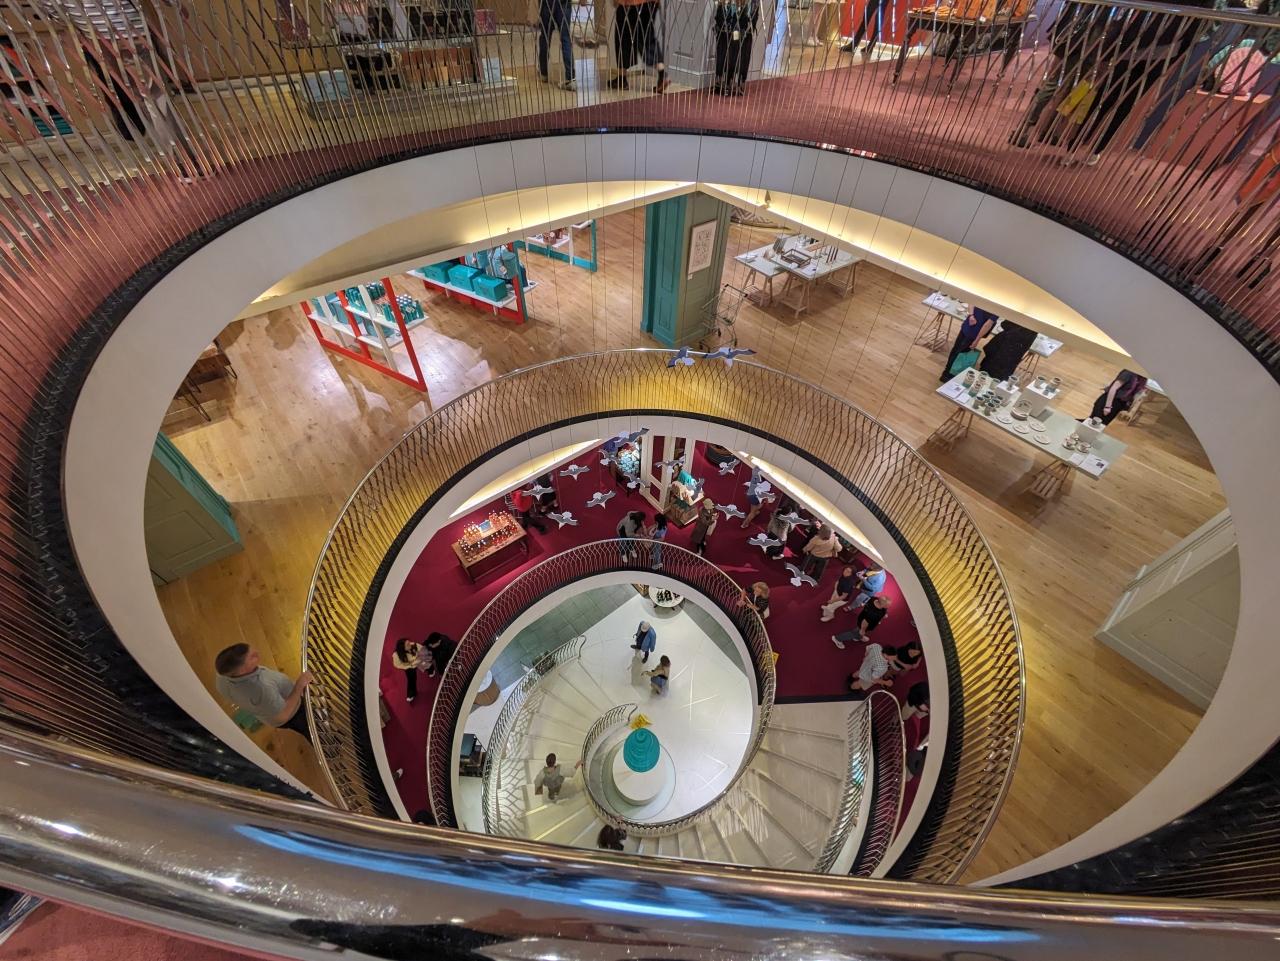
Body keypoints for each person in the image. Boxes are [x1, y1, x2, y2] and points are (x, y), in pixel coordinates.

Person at [1008, 1, 1108, 149]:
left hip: (1085, 36)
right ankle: (1025, 130)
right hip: (1082, 37)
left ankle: (1045, 129)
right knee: (1056, 84)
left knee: (1067, 87)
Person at [214, 644, 313, 742]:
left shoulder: (222, 678)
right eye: (252, 656)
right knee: (313, 730)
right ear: (242, 670)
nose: (257, 652)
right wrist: (299, 686)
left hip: (269, 709)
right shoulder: (262, 690)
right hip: (294, 714)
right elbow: (282, 716)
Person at [610, 0, 668, 93]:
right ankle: (662, 74)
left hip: (630, 4)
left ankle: (621, 79)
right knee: (647, 39)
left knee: (623, 38)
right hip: (651, 3)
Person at [940, 306, 997, 384]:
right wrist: (977, 340)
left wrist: (971, 315)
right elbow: (987, 325)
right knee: (961, 353)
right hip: (974, 333)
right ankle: (949, 374)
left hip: (967, 325)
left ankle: (946, 371)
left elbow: (971, 303)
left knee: (956, 349)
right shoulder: (998, 307)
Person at [537, 0, 578, 90]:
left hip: (547, 4)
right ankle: (570, 78)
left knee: (545, 37)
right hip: (564, 3)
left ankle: (543, 73)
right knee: (565, 38)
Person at [392, 637, 423, 702]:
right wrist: (409, 666)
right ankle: (411, 694)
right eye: (407, 645)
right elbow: (398, 665)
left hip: (419, 661)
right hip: (409, 667)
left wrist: (421, 658)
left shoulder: (413, 645)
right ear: (402, 648)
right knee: (411, 679)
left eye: (409, 642)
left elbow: (422, 649)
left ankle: (431, 670)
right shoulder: (396, 655)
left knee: (427, 665)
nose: (410, 644)